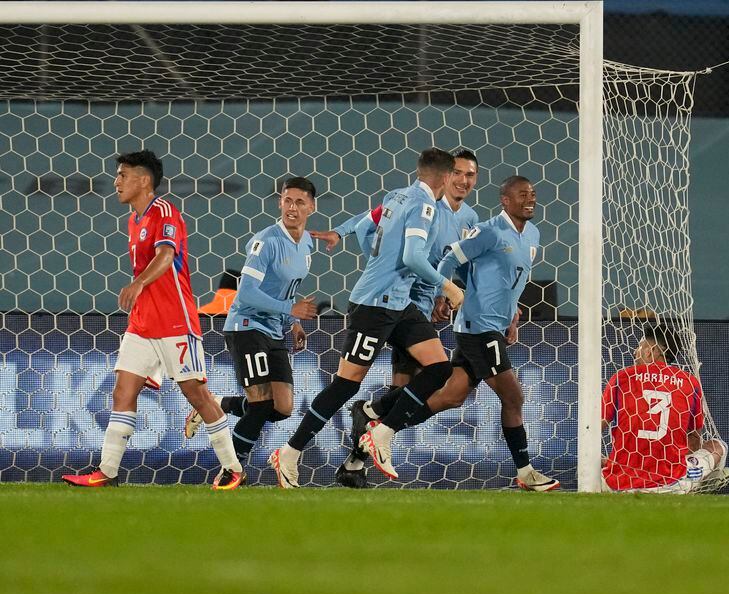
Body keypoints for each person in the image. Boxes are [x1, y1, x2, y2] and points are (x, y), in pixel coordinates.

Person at [268, 147, 464, 488]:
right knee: (345, 384)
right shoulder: (425, 206)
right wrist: (449, 287)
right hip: (374, 306)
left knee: (439, 367)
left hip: (400, 305)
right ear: (445, 178)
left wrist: (340, 234)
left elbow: (366, 222)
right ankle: (290, 451)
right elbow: (414, 257)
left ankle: (380, 427)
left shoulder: (396, 195)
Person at [357, 175, 559, 491]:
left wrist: (512, 313)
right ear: (505, 200)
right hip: (477, 328)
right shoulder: (489, 231)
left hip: (493, 325)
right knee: (514, 397)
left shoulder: (532, 234)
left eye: (532, 193)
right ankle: (525, 471)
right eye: (522, 194)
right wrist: (445, 293)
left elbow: (512, 280)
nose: (530, 198)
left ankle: (378, 419)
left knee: (451, 397)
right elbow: (452, 257)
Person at [62, 150, 245, 490]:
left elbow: (166, 255)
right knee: (122, 391)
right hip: (142, 323)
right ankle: (107, 472)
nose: (116, 181)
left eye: (123, 175)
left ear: (143, 180)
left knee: (197, 395)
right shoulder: (133, 221)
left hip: (175, 321)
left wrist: (139, 282)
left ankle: (233, 469)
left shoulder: (164, 212)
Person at [316, 149, 481, 488]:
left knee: (405, 389)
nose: (464, 180)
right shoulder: (420, 205)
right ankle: (367, 434)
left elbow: (465, 263)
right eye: (459, 173)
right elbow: (374, 223)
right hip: (405, 305)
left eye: (471, 175)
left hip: (422, 307)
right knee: (414, 386)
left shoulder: (469, 219)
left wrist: (450, 293)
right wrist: (347, 237)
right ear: (446, 176)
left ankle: (359, 451)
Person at [183, 177, 319, 468]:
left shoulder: (307, 243)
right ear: (280, 202)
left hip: (274, 330)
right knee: (260, 405)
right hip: (246, 327)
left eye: (299, 202)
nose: (291, 207)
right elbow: (244, 292)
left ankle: (218, 403)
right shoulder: (266, 240)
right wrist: (289, 307)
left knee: (282, 408)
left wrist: (292, 320)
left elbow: (288, 289)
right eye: (287, 200)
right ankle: (232, 469)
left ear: (311, 207)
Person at [600, 323, 729, 494]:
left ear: (649, 350)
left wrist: (612, 461)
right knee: (718, 446)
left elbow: (595, 428)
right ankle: (698, 483)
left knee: (593, 460)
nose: (635, 351)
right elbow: (693, 438)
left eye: (639, 346)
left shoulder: (622, 377)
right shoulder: (689, 382)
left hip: (620, 483)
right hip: (672, 484)